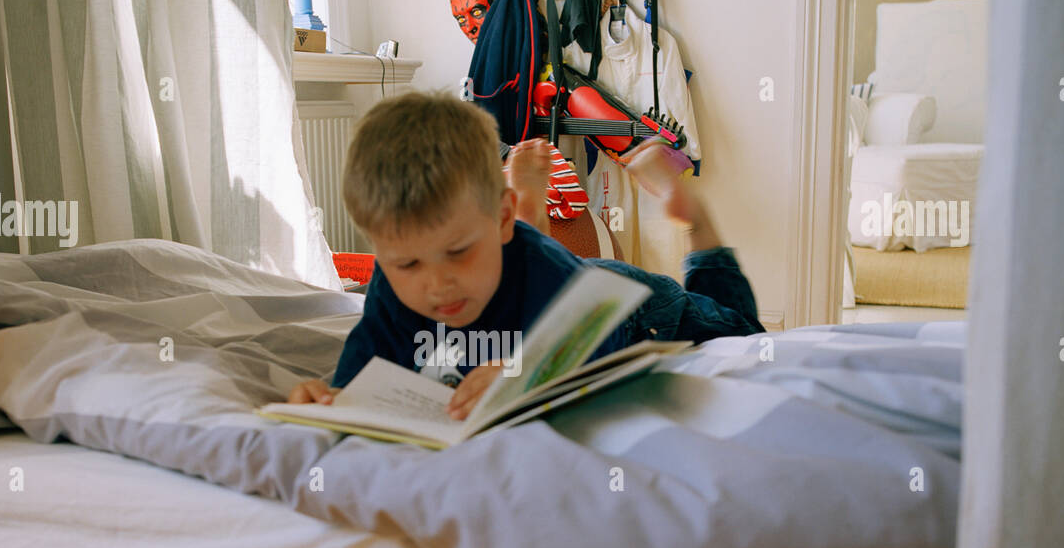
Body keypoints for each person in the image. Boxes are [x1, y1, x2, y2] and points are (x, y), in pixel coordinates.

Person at [287, 92, 762, 419]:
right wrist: (330, 398)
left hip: (630, 306)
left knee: (744, 335)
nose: (436, 284)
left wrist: (524, 370)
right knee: (522, 269)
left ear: (497, 219)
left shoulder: (548, 275)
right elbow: (364, 372)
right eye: (407, 263)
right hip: (531, 271)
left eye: (457, 252)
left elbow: (603, 343)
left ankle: (696, 221)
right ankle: (529, 212)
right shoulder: (392, 288)